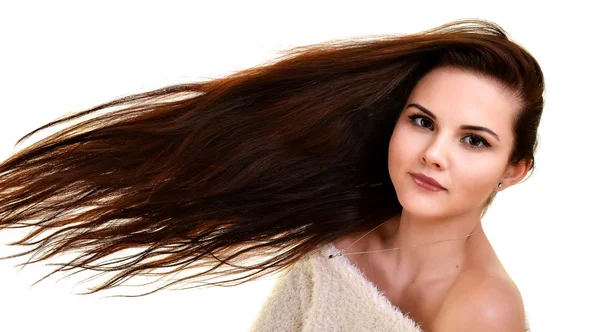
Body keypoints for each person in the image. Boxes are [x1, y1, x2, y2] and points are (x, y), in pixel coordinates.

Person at [0, 19, 542, 331]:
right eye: (422, 122)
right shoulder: (342, 236)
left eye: (474, 141)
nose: (434, 154)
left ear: (513, 171)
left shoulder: (483, 310)